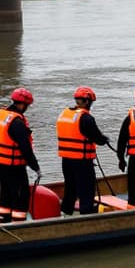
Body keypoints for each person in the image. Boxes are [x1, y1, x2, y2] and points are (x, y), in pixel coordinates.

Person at [56, 86, 110, 216]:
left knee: (70, 188)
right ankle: (86, 216)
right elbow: (98, 138)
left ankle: (65, 214)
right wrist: (105, 139)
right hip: (82, 161)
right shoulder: (86, 118)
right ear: (87, 101)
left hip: (66, 160)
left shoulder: (65, 114)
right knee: (86, 190)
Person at [0, 87, 40, 222]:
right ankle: (18, 224)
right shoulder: (17, 122)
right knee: (21, 195)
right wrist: (36, 168)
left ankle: (4, 219)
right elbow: (26, 149)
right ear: (24, 105)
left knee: (6, 194)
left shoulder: (2, 115)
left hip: (1, 164)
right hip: (14, 166)